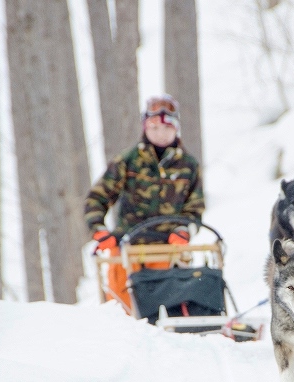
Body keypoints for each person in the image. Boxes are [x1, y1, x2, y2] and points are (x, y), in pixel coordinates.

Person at [85, 94, 205, 311]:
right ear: (145, 128)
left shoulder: (188, 166)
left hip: (168, 251)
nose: (160, 134)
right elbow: (97, 198)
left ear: (176, 129)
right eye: (154, 128)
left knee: (169, 312)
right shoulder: (128, 160)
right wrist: (99, 230)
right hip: (126, 249)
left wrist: (184, 230)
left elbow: (194, 210)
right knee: (122, 313)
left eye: (166, 128)